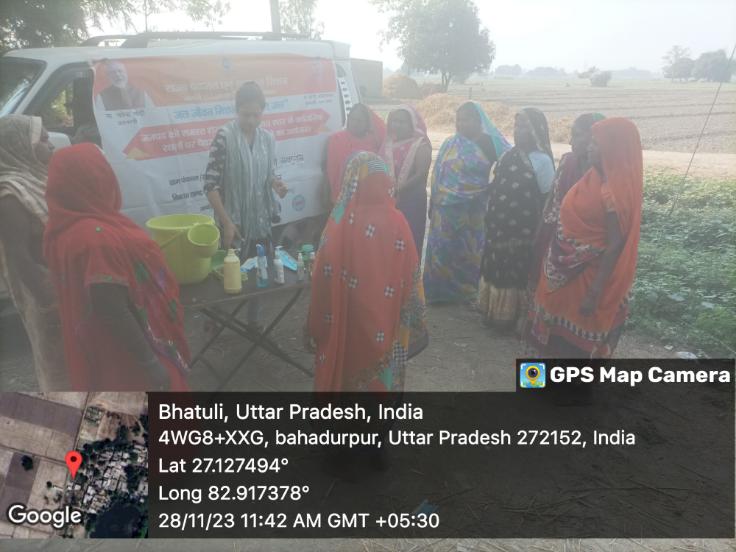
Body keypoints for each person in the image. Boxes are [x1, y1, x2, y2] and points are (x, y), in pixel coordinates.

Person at [43, 143, 190, 390]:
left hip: (96, 346)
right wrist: (150, 363)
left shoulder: (62, 227)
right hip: (128, 357)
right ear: (94, 180)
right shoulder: (97, 238)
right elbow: (110, 307)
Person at [307, 152, 428, 392]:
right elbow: (412, 274)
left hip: (348, 318)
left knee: (347, 371)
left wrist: (315, 323)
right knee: (382, 377)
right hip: (389, 318)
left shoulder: (339, 222)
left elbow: (322, 275)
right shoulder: (398, 221)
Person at [529, 118, 643, 358]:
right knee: (543, 342)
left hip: (585, 279)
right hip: (559, 269)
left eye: (596, 144)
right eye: (590, 142)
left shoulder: (613, 193)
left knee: (570, 350)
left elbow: (615, 245)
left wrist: (594, 292)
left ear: (613, 149)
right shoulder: (592, 177)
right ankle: (533, 380)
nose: (589, 147)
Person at [204, 81, 288, 329]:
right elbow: (210, 185)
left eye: (256, 115)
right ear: (236, 110)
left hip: (260, 221)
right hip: (233, 223)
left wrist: (276, 184)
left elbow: (269, 174)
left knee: (258, 271)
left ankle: (253, 320)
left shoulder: (267, 139)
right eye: (245, 114)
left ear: (262, 112)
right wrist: (227, 222)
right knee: (226, 273)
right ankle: (215, 320)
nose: (251, 121)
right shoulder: (224, 137)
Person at [0, 115, 68, 390]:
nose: (51, 145)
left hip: (68, 284)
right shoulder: (9, 195)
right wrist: (48, 302)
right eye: (42, 139)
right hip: (48, 294)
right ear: (19, 146)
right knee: (62, 367)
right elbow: (18, 257)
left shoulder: (39, 176)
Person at [423, 101, 510, 304]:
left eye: (467, 119)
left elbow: (508, 167)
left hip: (473, 209)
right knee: (442, 249)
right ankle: (437, 292)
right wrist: (433, 201)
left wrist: (491, 188)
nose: (461, 124)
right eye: (459, 120)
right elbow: (438, 172)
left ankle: (464, 292)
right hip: (444, 208)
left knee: (468, 250)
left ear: (479, 121)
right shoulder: (450, 143)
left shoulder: (491, 143)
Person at [478, 108, 555, 331]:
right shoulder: (507, 155)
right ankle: (492, 311)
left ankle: (514, 318)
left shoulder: (542, 161)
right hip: (497, 228)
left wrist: (540, 233)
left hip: (522, 231)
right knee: (496, 266)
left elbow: (547, 199)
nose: (518, 131)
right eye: (516, 125)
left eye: (524, 127)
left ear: (536, 131)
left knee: (516, 270)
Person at [531, 113, 605, 285]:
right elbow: (551, 204)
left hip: (589, 255)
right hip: (554, 243)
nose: (571, 142)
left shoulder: (607, 175)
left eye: (577, 135)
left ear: (595, 138)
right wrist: (539, 238)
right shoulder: (567, 162)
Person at [380, 105, 432, 257]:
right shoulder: (387, 144)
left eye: (402, 122)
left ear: (412, 124)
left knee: (410, 237)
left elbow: (421, 173)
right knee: (388, 239)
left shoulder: (420, 144)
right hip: (387, 199)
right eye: (394, 121)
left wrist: (399, 189)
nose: (397, 125)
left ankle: (409, 270)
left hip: (411, 200)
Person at [325, 103, 386, 204]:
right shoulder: (336, 139)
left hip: (368, 195)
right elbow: (333, 171)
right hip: (343, 196)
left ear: (367, 123)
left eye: (359, 120)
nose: (355, 123)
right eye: (352, 119)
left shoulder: (373, 141)